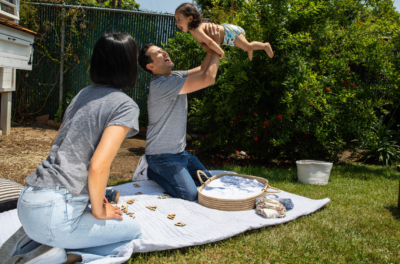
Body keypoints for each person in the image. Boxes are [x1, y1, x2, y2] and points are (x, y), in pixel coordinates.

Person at [1, 32, 142, 264]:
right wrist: (98, 210)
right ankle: (64, 257)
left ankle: (35, 245)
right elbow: (99, 165)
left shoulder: (83, 94)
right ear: (128, 64)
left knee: (62, 223)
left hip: (28, 200)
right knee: (132, 231)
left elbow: (59, 144)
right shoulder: (125, 105)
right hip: (55, 210)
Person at [138, 28, 221, 202]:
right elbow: (209, 78)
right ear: (150, 66)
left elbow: (203, 69)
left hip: (181, 154)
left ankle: (164, 171)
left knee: (208, 184)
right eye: (158, 53)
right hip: (161, 156)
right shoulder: (161, 85)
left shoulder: (174, 76)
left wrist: (211, 45)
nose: (164, 52)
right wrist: (216, 44)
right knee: (189, 194)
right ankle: (151, 171)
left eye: (162, 49)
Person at [175, 2, 274, 61]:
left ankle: (265, 45)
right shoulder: (193, 32)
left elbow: (210, 42)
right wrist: (205, 47)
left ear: (190, 18)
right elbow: (204, 43)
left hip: (230, 33)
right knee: (246, 46)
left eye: (179, 19)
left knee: (247, 45)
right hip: (227, 35)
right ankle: (250, 49)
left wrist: (220, 52)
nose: (177, 23)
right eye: (176, 20)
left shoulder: (197, 30)